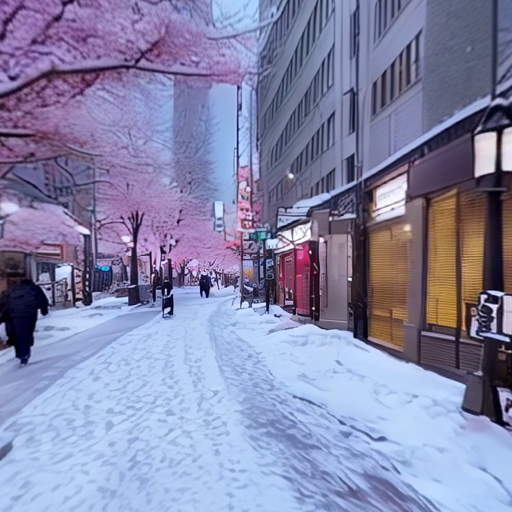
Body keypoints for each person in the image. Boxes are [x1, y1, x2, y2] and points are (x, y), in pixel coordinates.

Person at [0, 279, 49, 366]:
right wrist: (44, 310)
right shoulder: (33, 288)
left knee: (17, 334)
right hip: (30, 314)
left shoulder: (11, 290)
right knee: (27, 332)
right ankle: (26, 353)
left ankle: (20, 354)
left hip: (14, 315)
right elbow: (42, 299)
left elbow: (3, 304)